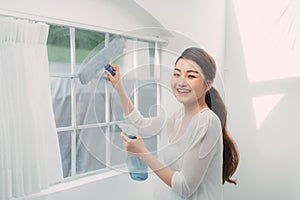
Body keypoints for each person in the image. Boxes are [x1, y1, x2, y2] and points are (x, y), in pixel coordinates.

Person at [105, 47, 239, 200]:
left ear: (208, 84)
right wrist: (119, 87)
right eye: (177, 74)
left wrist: (143, 154)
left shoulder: (207, 123)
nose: (181, 82)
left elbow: (184, 187)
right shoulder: (178, 115)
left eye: (191, 76)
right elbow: (141, 124)